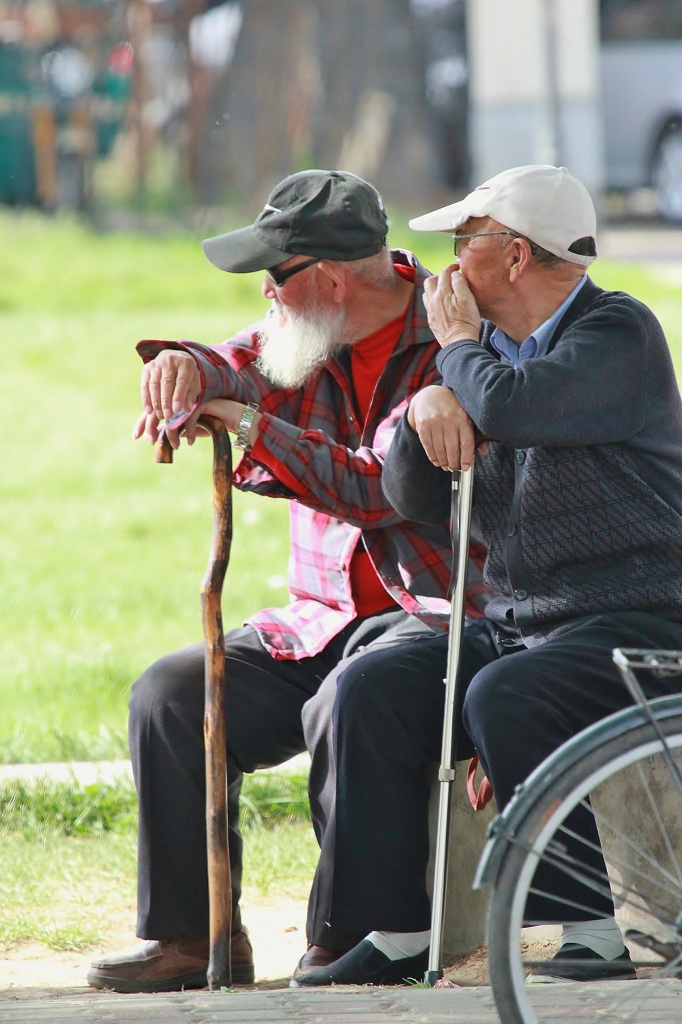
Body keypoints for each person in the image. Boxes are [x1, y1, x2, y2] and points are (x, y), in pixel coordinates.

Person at [86, 169, 491, 993]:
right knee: (171, 694)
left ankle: (345, 937)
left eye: (275, 276)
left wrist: (246, 424)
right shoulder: (306, 327)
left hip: (432, 615)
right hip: (323, 618)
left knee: (355, 694)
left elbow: (377, 486)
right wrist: (186, 369)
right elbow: (234, 361)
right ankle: (194, 937)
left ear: (331, 279)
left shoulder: (452, 337)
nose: (265, 295)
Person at [329, 163, 682, 987]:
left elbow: (518, 407)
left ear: (516, 256)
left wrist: (452, 358)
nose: (447, 267)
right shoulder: (477, 358)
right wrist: (423, 411)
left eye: (465, 242)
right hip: (531, 620)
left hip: (643, 613)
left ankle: (588, 930)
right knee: (372, 686)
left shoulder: (616, 333)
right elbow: (410, 495)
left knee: (508, 693)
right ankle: (397, 927)